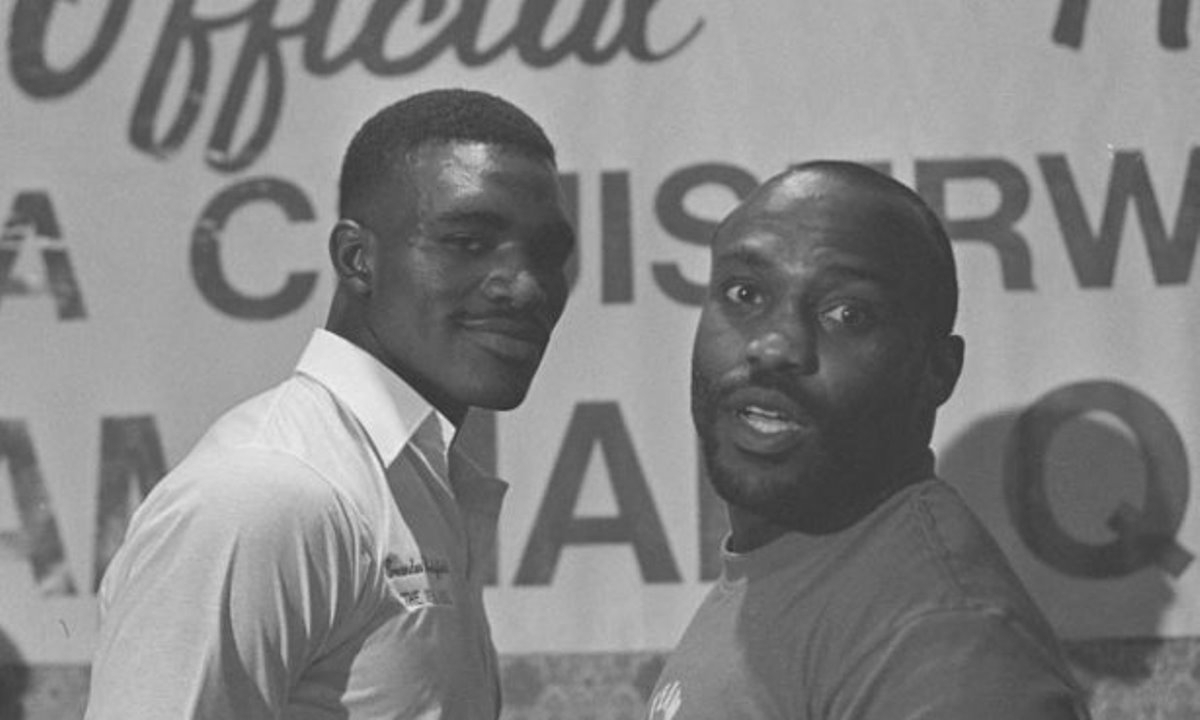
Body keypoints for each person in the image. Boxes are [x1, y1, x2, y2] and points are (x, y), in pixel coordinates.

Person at [85, 88, 576, 719]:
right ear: (356, 258)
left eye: (549, 255)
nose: (527, 287)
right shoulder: (266, 490)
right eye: (469, 242)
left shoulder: (408, 479)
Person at [646, 161, 1090, 719]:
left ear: (937, 371)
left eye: (847, 314)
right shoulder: (786, 564)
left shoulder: (941, 641)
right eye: (745, 292)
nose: (775, 346)